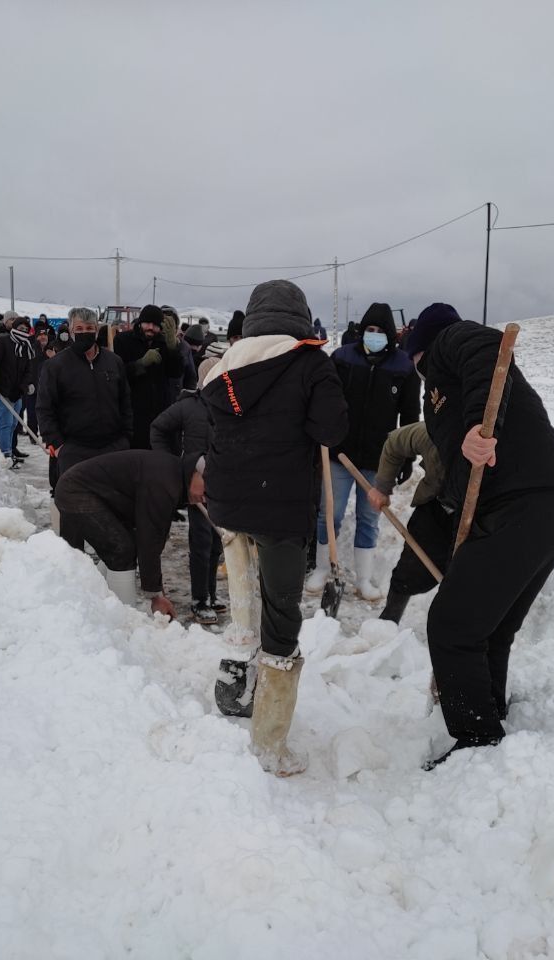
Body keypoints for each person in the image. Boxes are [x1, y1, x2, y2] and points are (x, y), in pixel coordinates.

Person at [404, 302, 554, 769]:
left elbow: (489, 350)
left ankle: (476, 740)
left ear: (420, 347)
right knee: (490, 627)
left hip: (525, 503)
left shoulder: (452, 339)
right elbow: (457, 467)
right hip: (546, 506)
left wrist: (478, 428)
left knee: (451, 624)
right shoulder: (436, 392)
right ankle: (489, 711)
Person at [200, 279, 348, 776]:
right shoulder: (311, 364)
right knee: (281, 616)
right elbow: (332, 430)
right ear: (301, 316)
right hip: (279, 509)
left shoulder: (225, 363)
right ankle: (269, 742)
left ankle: (233, 683)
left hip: (226, 503)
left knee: (243, 599)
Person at [306, 302, 420, 601]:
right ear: (361, 331)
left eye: (380, 331)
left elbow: (410, 416)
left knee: (369, 519)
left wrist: (407, 457)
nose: (374, 335)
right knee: (329, 513)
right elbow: (325, 399)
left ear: (390, 336)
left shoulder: (403, 368)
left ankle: (364, 579)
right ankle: (322, 568)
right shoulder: (343, 359)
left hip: (379, 459)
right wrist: (322, 432)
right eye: (370, 330)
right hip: (340, 453)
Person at [55, 449, 204, 619]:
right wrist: (155, 595)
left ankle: (94, 601)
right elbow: (150, 538)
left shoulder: (173, 475)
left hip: (93, 493)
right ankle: (124, 620)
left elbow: (153, 535)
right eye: (207, 489)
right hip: (75, 491)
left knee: (124, 547)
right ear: (197, 473)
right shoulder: (165, 481)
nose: (204, 498)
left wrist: (156, 588)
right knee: (121, 551)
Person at [151, 356, 224, 624]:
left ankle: (212, 593)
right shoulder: (188, 407)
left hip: (223, 484)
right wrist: (171, 463)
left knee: (218, 541)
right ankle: (199, 598)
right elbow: (158, 428)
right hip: (198, 483)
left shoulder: (230, 407)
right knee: (202, 542)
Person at [36, 306, 132, 482]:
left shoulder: (114, 362)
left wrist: (125, 438)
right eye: (79, 329)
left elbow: (125, 401)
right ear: (71, 331)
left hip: (112, 448)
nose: (84, 332)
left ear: (96, 330)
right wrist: (57, 445)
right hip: (73, 450)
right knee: (76, 503)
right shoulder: (56, 366)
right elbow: (44, 407)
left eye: (89, 328)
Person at [366, 421, 449, 622]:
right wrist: (382, 487)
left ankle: (460, 637)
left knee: (472, 578)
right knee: (410, 570)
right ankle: (389, 620)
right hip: (437, 505)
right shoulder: (433, 433)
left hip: (486, 515)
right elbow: (395, 441)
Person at [112, 304, 183, 449]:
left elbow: (176, 372)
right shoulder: (123, 340)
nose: (151, 327)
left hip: (160, 411)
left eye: (156, 324)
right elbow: (119, 374)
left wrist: (172, 349)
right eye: (147, 323)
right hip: (134, 412)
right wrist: (141, 364)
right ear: (140, 322)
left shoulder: (163, 342)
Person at [0, 311, 35, 465]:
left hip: (16, 392)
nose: (23, 331)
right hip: (0, 391)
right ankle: (5, 455)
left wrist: (21, 388)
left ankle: (8, 449)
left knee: (14, 423)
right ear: (13, 327)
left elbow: (28, 370)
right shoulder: (2, 340)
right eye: (20, 327)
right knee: (6, 421)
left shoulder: (26, 346)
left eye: (26, 329)